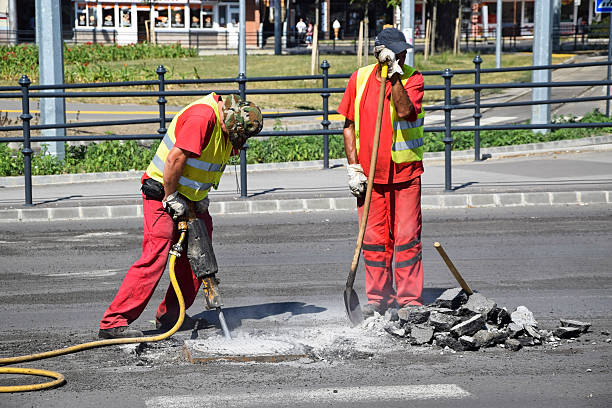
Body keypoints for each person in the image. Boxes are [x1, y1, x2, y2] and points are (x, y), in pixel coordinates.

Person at [98, 94, 263, 339]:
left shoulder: (229, 120)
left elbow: (210, 160)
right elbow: (175, 159)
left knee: (199, 256)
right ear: (230, 121)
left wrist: (200, 196)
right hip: (162, 191)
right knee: (155, 255)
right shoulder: (202, 117)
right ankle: (113, 323)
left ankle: (171, 317)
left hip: (192, 198)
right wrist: (171, 196)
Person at [337, 28, 425, 317]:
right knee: (374, 241)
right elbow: (348, 125)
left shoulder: (412, 77)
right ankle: (378, 298)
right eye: (396, 51)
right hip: (370, 178)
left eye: (403, 51)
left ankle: (410, 300)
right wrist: (353, 168)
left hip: (405, 174)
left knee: (407, 238)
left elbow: (403, 111)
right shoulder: (360, 78)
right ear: (379, 52)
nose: (403, 54)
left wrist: (395, 74)